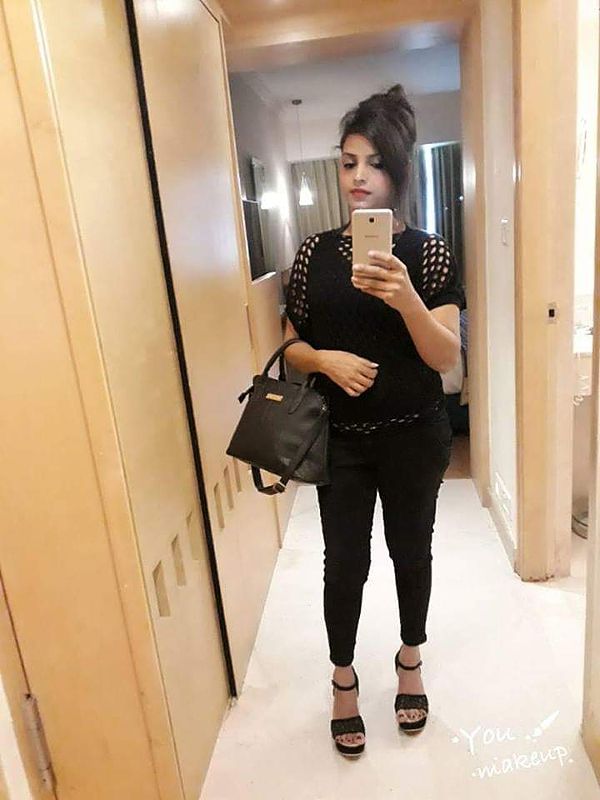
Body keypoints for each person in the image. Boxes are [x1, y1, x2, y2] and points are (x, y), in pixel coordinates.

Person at [283, 84, 466, 757]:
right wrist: (322, 359)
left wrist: (407, 297)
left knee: (411, 552)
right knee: (344, 563)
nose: (359, 176)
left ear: (400, 170)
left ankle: (409, 661)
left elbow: (445, 357)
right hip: (341, 439)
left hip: (415, 433)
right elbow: (290, 345)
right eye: (348, 162)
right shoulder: (312, 255)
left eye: (375, 163)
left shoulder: (428, 252)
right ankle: (343, 680)